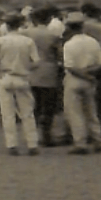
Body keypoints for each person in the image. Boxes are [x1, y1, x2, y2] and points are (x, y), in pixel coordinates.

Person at [0, 13, 41, 156]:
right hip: (22, 78)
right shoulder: (28, 41)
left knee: (7, 114)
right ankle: (32, 144)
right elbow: (36, 63)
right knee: (27, 113)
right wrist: (26, 68)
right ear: (20, 25)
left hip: (6, 76)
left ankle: (11, 144)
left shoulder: (2, 40)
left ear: (6, 25)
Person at [61, 12, 101, 155]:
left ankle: (80, 143)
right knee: (91, 112)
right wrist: (89, 75)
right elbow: (100, 63)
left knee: (75, 113)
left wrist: (83, 74)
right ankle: (98, 140)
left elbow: (70, 66)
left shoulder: (69, 44)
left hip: (74, 79)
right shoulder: (93, 42)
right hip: (90, 80)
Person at [25, 8, 62, 147]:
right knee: (48, 105)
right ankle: (46, 134)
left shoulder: (26, 33)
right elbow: (59, 54)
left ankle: (31, 135)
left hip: (31, 70)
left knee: (33, 105)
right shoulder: (53, 36)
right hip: (48, 71)